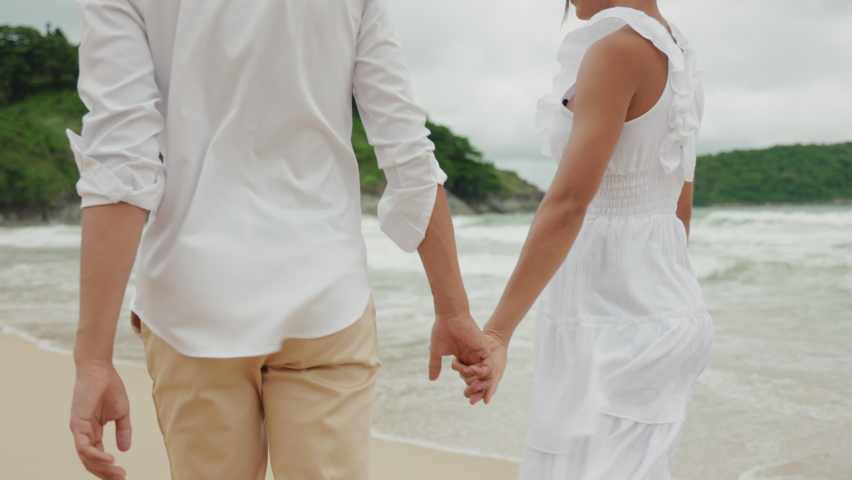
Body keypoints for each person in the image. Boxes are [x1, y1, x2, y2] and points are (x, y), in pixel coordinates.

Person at [67, 0, 492, 479]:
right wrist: (453, 308)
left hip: (194, 296)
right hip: (325, 293)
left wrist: (94, 358)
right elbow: (406, 147)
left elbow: (120, 165)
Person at [454, 1, 713, 478]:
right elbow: (680, 202)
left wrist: (497, 333)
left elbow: (570, 203)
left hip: (611, 316)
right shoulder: (679, 52)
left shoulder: (618, 50)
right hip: (662, 309)